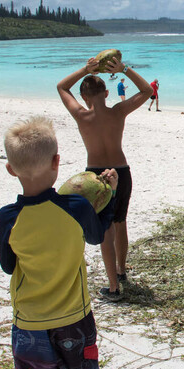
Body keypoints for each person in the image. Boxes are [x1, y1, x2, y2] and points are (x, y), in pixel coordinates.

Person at [0, 117, 114, 369]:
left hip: (29, 323)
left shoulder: (8, 218)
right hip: (75, 317)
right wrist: (108, 194)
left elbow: (9, 267)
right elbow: (96, 236)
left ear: (11, 169)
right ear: (56, 162)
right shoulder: (75, 208)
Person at [58, 56, 153, 301]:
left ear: (84, 97)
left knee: (106, 230)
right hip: (121, 172)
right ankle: (121, 271)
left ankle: (113, 287)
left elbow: (61, 87)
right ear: (108, 92)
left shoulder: (81, 114)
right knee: (121, 223)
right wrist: (124, 69)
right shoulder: (118, 111)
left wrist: (84, 69)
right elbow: (146, 90)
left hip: (95, 176)